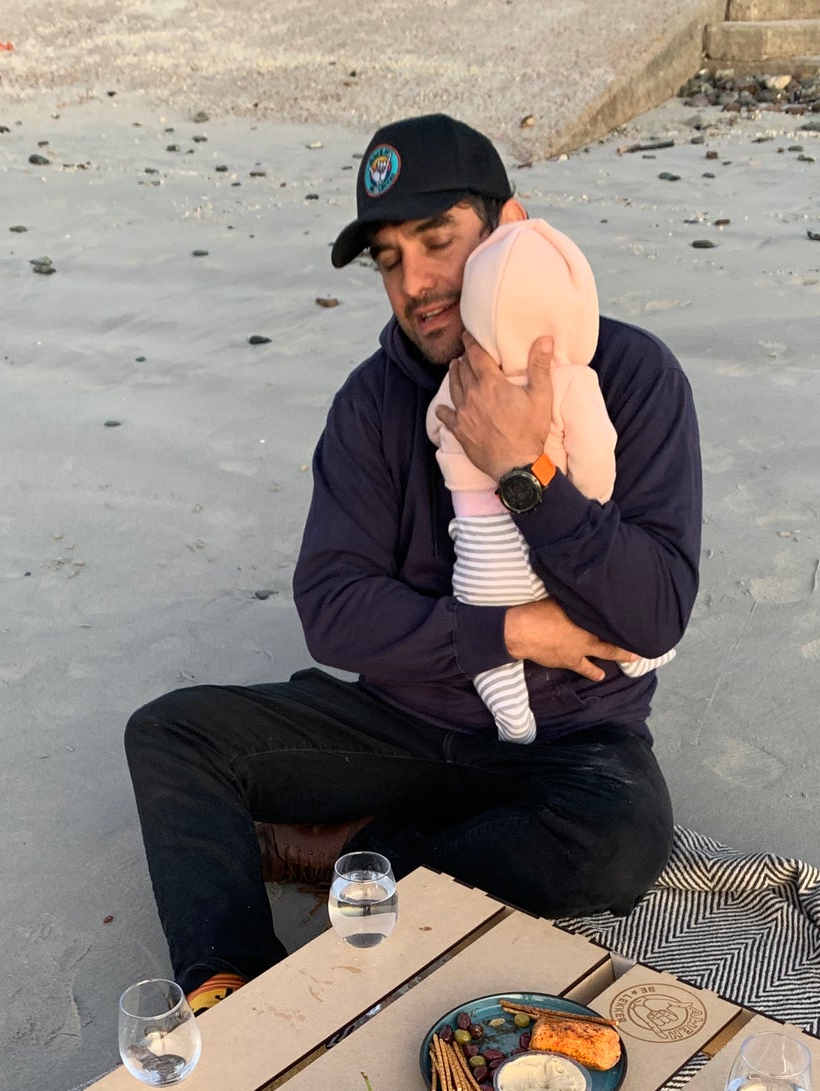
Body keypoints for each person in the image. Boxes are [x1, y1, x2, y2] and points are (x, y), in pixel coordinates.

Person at [124, 113, 702, 1012]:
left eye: (437, 241)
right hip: (399, 723)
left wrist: (523, 470)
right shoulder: (371, 401)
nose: (417, 283)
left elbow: (656, 609)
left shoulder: (630, 374)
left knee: (621, 842)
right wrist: (506, 629)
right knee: (173, 734)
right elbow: (332, 607)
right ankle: (227, 986)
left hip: (568, 742)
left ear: (508, 229)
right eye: (389, 259)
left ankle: (365, 852)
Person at [426, 214, 676, 744]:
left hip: (478, 554)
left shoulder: (459, 380)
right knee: (585, 596)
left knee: (491, 626)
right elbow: (596, 458)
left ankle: (511, 714)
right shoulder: (572, 380)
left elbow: (434, 424)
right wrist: (589, 498)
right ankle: (634, 656)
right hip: (543, 548)